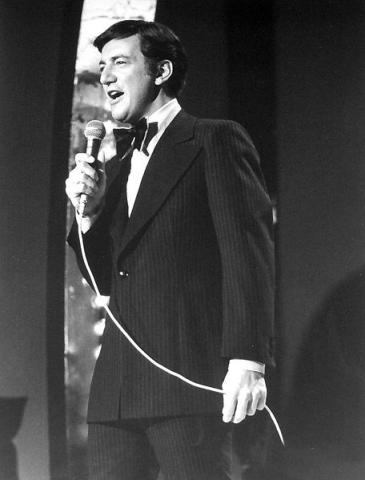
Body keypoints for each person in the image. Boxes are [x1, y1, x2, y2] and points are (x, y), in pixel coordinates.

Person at [66, 19, 275, 480]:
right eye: (102, 66)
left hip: (186, 378)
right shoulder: (117, 164)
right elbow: (106, 281)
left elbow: (248, 252)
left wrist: (248, 358)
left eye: (120, 62)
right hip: (116, 389)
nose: (105, 77)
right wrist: (89, 214)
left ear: (160, 71)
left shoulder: (213, 138)